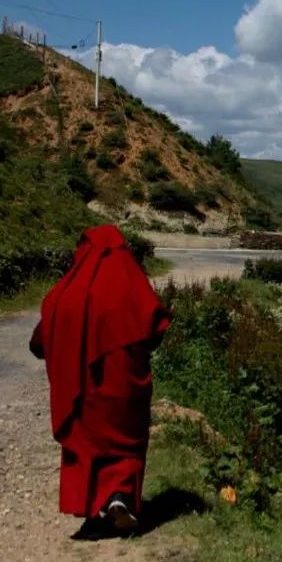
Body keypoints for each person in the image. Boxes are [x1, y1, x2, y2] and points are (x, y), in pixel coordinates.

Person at [29, 224, 171, 540]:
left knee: (84, 445)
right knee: (125, 441)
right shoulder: (131, 284)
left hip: (80, 390)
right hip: (124, 387)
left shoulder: (64, 294)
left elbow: (40, 341)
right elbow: (156, 326)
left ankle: (91, 512)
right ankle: (120, 495)